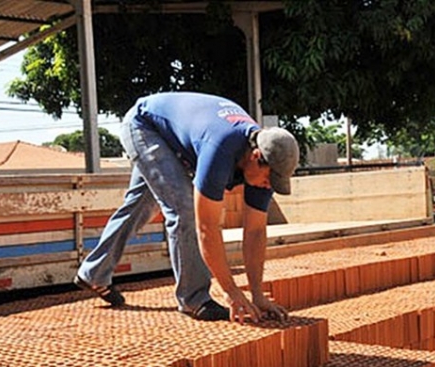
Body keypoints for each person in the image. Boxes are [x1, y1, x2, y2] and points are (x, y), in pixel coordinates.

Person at [74, 92, 299, 322]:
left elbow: (255, 231)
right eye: (269, 180)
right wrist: (231, 293)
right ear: (256, 155)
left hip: (176, 136)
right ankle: (194, 299)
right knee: (184, 207)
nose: (268, 186)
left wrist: (257, 295)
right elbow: (207, 228)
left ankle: (94, 273)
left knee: (140, 206)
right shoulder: (220, 147)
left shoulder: (263, 167)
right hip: (145, 125)